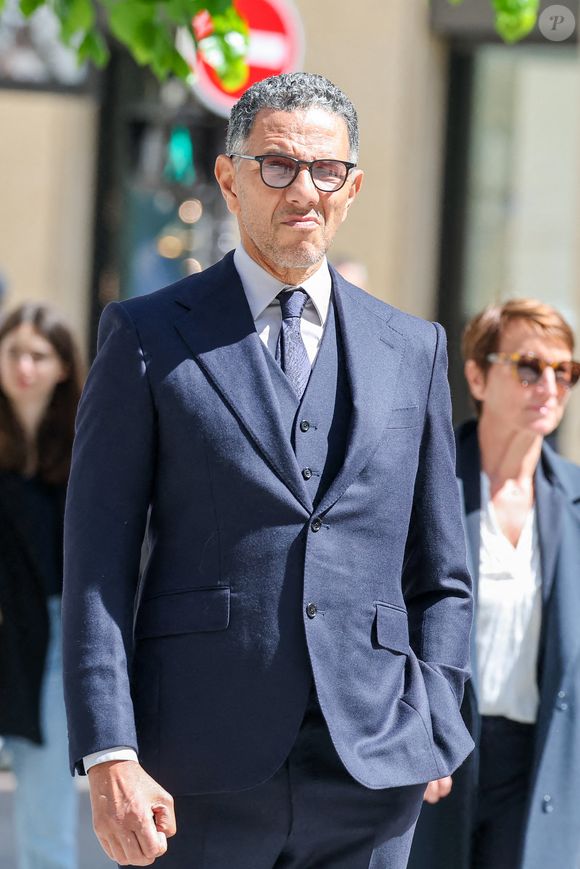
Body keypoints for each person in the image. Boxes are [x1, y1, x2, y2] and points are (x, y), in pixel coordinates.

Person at [62, 72, 474, 869]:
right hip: (198, 770)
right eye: (278, 165)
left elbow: (442, 569)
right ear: (229, 177)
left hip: (373, 770)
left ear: (352, 187)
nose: (304, 190)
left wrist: (434, 715)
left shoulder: (413, 346)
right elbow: (96, 569)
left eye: (326, 171)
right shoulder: (146, 336)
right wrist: (111, 751)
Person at [408, 298, 580, 869]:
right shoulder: (422, 483)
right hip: (437, 756)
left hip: (538, 771)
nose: (550, 385)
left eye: (566, 371)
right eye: (529, 366)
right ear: (477, 376)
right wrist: (412, 724)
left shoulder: (575, 503)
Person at [0, 303, 84, 869]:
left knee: (44, 812)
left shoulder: (87, 443)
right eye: (13, 352)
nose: (24, 366)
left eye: (39, 354)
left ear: (62, 366)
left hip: (56, 638)